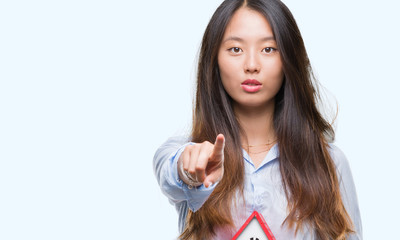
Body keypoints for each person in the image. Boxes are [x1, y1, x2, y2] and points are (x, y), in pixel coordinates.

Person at [153, 0, 362, 239]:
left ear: (289, 59)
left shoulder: (330, 163)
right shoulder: (189, 153)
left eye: (269, 49)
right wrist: (190, 172)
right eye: (235, 49)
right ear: (214, 60)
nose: (251, 65)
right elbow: (171, 172)